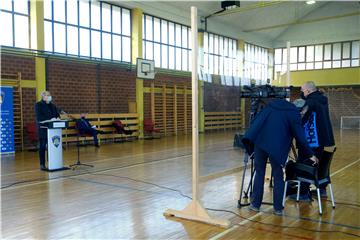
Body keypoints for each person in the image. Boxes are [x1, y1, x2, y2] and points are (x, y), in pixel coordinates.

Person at [242, 98, 318, 215]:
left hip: (260, 144)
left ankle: (255, 205)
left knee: (259, 173)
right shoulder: (293, 113)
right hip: (277, 147)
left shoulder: (271, 106)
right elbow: (300, 137)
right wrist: (310, 154)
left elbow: (257, 121)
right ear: (300, 109)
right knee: (278, 175)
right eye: (303, 113)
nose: (302, 115)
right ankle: (277, 208)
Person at [294, 81, 335, 199]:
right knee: (319, 164)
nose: (301, 92)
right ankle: (321, 189)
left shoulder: (310, 102)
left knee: (305, 164)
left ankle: (303, 193)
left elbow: (301, 118)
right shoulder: (322, 100)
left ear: (308, 91)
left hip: (311, 139)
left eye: (302, 90)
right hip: (321, 140)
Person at [35, 91, 60, 171]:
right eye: (47, 95)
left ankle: (52, 162)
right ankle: (42, 164)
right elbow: (39, 117)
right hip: (43, 129)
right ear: (43, 97)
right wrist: (49, 119)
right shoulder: (39, 105)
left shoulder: (53, 105)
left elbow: (57, 115)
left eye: (50, 95)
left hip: (53, 130)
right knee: (42, 146)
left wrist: (57, 118)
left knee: (52, 146)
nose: (49, 96)